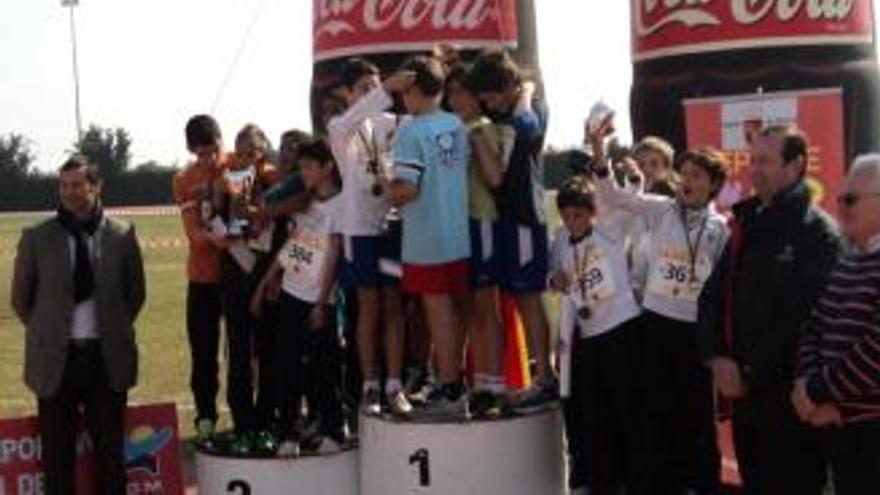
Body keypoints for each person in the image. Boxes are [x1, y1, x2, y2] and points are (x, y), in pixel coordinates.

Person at [698, 124, 841, 494]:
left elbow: (805, 321)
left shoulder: (819, 234)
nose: (753, 170)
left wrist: (746, 371)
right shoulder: (747, 224)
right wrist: (716, 358)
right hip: (747, 409)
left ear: (796, 167)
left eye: (765, 161)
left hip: (793, 413)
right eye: (751, 160)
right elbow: (711, 298)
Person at [591, 115, 730, 492]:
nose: (688, 181)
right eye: (685, 174)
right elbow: (615, 196)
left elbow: (722, 289)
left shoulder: (721, 230)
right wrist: (599, 149)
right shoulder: (661, 209)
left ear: (714, 184)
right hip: (655, 323)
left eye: (698, 176)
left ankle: (703, 484)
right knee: (654, 409)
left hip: (695, 331)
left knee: (698, 414)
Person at [11, 156, 146, 494]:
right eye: (64, 185)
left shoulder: (123, 234)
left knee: (110, 458)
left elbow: (135, 295)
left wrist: (109, 328)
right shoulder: (36, 237)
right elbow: (21, 300)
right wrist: (51, 331)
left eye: (77, 185)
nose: (69, 192)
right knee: (57, 461)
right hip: (56, 361)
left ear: (96, 186)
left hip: (105, 359)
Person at [327, 58, 416, 417]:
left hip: (390, 225)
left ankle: (395, 384)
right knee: (369, 308)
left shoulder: (391, 122)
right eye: (363, 87)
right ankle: (370, 384)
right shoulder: (340, 126)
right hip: (357, 229)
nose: (372, 92)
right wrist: (384, 90)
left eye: (374, 84)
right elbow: (356, 115)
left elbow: (418, 120)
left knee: (393, 305)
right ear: (346, 92)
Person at [468, 50, 556, 412]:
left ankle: (545, 378)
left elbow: (528, 128)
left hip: (525, 216)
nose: (486, 103)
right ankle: (519, 379)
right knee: (513, 302)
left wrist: (522, 92)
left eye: (489, 94)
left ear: (506, 85)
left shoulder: (530, 103)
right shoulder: (497, 112)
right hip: (502, 216)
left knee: (529, 298)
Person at [388, 55, 471, 419]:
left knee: (439, 314)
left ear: (413, 88)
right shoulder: (456, 123)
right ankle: (452, 384)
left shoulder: (410, 130)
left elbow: (406, 189)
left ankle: (451, 390)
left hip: (426, 240)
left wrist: (381, 189)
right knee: (454, 313)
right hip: (457, 234)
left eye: (404, 90)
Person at [252, 138, 346, 456]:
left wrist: (322, 302)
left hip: (319, 300)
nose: (302, 172)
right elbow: (295, 244)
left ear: (328, 168)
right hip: (291, 293)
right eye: (301, 166)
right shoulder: (305, 202)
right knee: (287, 367)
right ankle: (287, 435)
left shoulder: (341, 205)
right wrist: (268, 279)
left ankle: (334, 428)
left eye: (308, 167)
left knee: (322, 368)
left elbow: (334, 255)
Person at [793, 154, 880, 495]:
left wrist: (816, 391)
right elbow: (814, 326)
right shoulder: (850, 258)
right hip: (840, 426)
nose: (840, 206)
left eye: (851, 199)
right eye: (841, 198)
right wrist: (810, 389)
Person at [550, 176, 643, 494]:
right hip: (589, 336)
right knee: (596, 413)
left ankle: (634, 480)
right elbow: (553, 273)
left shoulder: (611, 227)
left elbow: (629, 203)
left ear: (592, 212)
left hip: (624, 328)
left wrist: (614, 171)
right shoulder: (561, 238)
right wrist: (555, 279)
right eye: (566, 216)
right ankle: (603, 481)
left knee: (628, 409)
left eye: (578, 215)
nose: (571, 223)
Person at [213, 124, 282, 453]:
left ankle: (265, 423)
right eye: (240, 153)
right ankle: (242, 426)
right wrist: (224, 233)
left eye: (252, 153)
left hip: (265, 274)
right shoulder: (224, 183)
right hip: (234, 273)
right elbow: (211, 219)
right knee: (238, 352)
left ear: (263, 154)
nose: (246, 159)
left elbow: (280, 233)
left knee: (268, 349)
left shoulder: (273, 182)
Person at [444, 64, 508, 418]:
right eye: (450, 92)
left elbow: (495, 178)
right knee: (466, 309)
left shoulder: (482, 127)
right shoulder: (446, 128)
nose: (457, 99)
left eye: (463, 91)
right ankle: (474, 381)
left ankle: (492, 385)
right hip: (453, 228)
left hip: (481, 220)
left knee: (486, 308)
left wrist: (475, 140)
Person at [173, 114, 230, 443]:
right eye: (201, 154)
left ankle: (252, 415)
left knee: (244, 351)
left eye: (213, 151)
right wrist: (213, 240)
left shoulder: (239, 162)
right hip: (203, 277)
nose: (209, 159)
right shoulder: (184, 179)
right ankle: (205, 416)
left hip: (240, 278)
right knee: (203, 352)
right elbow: (193, 232)